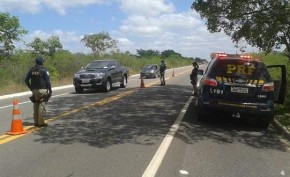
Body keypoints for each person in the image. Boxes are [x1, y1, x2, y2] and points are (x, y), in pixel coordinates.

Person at [25, 56, 52, 127]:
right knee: (42, 104)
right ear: (42, 62)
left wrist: (31, 88)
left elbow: (26, 80)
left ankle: (36, 122)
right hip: (43, 90)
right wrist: (50, 90)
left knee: (36, 104)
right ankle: (41, 123)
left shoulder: (32, 70)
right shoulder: (44, 70)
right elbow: (48, 82)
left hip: (34, 90)